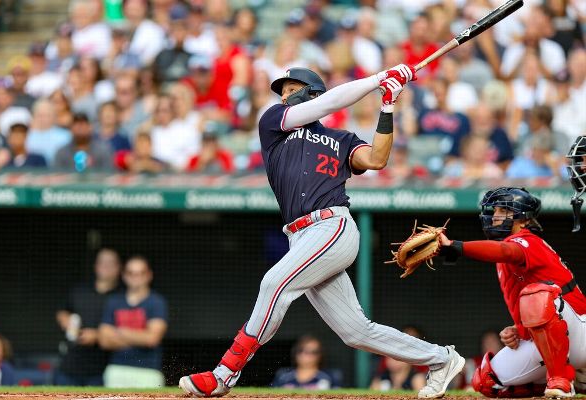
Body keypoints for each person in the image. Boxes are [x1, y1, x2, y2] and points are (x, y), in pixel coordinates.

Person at [179, 65, 464, 398]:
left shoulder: (340, 139)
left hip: (332, 226)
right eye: (282, 90)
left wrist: (386, 105)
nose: (284, 95)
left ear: (310, 89)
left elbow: (376, 159)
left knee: (274, 283)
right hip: (300, 236)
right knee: (356, 332)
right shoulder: (274, 123)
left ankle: (224, 373)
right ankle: (442, 358)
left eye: (291, 88)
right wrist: (377, 79)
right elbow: (327, 105)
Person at [437, 187, 586, 397]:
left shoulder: (527, 240)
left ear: (523, 220)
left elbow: (507, 252)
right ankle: (576, 379)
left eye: (503, 211)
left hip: (581, 332)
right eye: (494, 211)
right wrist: (521, 328)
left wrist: (457, 246)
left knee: (537, 295)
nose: (495, 216)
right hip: (557, 340)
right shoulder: (508, 247)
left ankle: (560, 380)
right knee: (485, 382)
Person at [55, 248, 123, 386]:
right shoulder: (80, 290)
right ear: (96, 266)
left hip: (104, 369)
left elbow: (126, 330)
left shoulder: (123, 297)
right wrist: (65, 320)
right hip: (70, 364)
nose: (105, 266)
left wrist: (98, 335)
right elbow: (62, 311)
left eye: (110, 263)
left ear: (118, 267)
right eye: (102, 262)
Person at [98, 256, 168, 388]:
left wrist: (119, 331)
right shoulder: (113, 301)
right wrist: (140, 337)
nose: (136, 277)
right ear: (124, 275)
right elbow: (104, 340)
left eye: (141, 273)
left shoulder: (157, 302)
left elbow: (152, 339)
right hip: (116, 369)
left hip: (148, 371)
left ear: (149, 275)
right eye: (131, 273)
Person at [272, 335, 337, 390]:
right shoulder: (283, 376)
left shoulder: (329, 377)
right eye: (302, 350)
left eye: (313, 352)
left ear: (320, 355)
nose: (307, 355)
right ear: (295, 353)